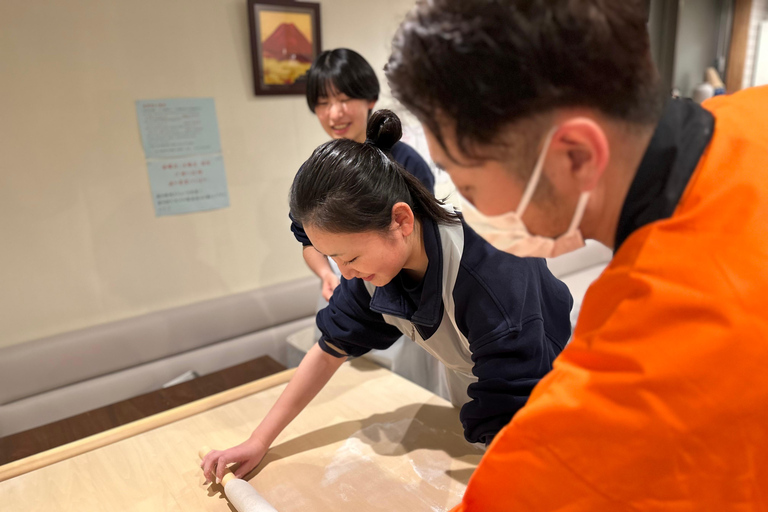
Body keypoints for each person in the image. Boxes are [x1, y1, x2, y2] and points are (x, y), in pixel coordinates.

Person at [385, 0, 768, 510]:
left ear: (576, 156)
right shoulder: (751, 112)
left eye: (469, 182)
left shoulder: (655, 347)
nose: (462, 203)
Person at [201, 110, 573, 485]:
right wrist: (258, 440)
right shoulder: (376, 269)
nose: (344, 273)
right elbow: (330, 347)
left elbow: (514, 406)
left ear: (401, 220)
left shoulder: (492, 269)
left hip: (555, 399)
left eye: (351, 258)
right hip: (483, 403)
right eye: (334, 259)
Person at [295, 48, 434, 302]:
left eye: (344, 99)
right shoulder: (315, 173)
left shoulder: (406, 163)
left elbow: (425, 241)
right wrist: (327, 274)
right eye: (323, 103)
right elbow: (307, 240)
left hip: (398, 298)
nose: (335, 113)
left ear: (370, 99)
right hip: (342, 295)